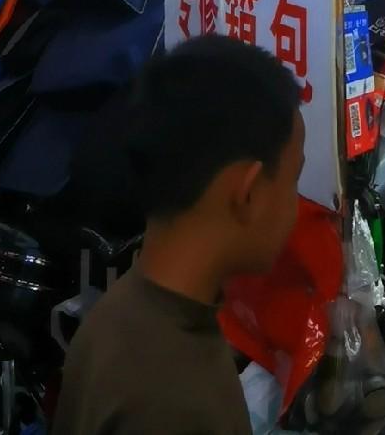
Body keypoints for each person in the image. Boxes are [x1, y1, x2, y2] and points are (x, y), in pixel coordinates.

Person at [54, 35, 304, 435]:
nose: (296, 205)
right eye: (293, 180)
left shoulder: (121, 313)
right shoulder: (173, 405)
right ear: (248, 193)